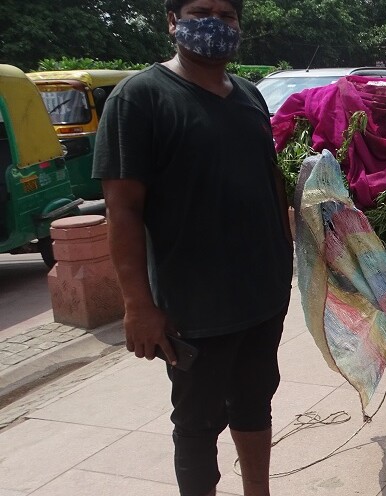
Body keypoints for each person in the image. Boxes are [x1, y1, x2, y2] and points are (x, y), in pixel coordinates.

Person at [93, 1, 294, 495]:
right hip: (194, 308)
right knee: (198, 423)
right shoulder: (139, 99)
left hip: (261, 296)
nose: (217, 24)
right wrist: (138, 305)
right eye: (202, 11)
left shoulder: (249, 95)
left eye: (228, 15)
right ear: (172, 21)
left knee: (254, 402)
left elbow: (266, 183)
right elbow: (122, 212)